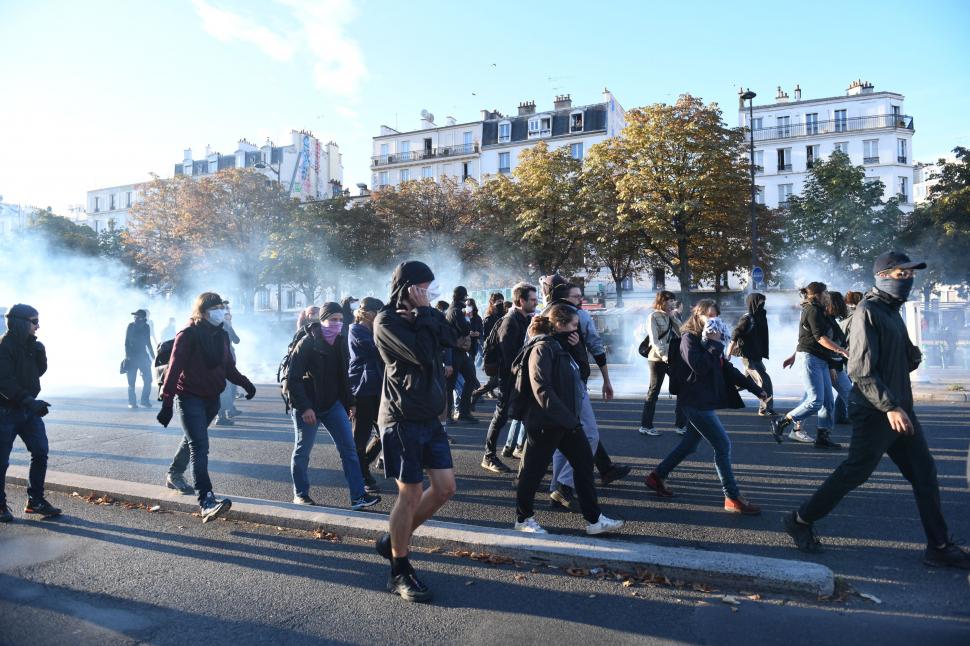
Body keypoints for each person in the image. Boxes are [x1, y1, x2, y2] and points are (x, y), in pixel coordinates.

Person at [784, 252, 970, 570]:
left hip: (898, 408)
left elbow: (900, 357)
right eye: (902, 274)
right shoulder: (868, 311)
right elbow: (860, 370)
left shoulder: (891, 311)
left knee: (924, 472)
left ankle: (938, 546)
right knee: (854, 472)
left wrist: (911, 357)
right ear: (884, 275)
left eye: (911, 274)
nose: (908, 279)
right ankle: (799, 519)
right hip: (876, 411)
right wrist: (890, 406)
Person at [372, 261, 458, 603]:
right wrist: (423, 315)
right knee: (409, 494)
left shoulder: (425, 315)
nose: (429, 294)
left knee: (445, 488)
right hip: (400, 418)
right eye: (424, 287)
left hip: (430, 418)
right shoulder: (386, 321)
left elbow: (454, 338)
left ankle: (392, 539)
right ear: (409, 288)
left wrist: (428, 314)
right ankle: (399, 569)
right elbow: (422, 354)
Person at [644, 299, 767, 515]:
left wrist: (757, 389)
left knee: (690, 444)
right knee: (723, 446)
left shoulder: (710, 339)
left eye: (715, 317)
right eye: (708, 316)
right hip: (694, 401)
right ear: (697, 315)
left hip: (703, 399)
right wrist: (714, 344)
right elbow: (699, 367)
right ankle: (731, 496)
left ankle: (657, 476)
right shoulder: (688, 338)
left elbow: (726, 369)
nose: (712, 321)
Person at [513, 304, 625, 535]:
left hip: (565, 422)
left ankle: (594, 520)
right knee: (532, 472)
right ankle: (523, 519)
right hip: (546, 422)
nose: (578, 330)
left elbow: (581, 375)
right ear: (560, 324)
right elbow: (541, 388)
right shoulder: (543, 347)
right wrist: (567, 419)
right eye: (574, 325)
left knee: (584, 465)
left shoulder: (560, 346)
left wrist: (578, 350)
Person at [158, 292, 256, 522]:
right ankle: (207, 500)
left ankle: (174, 473)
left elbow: (229, 368)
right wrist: (167, 399)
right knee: (200, 446)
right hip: (189, 396)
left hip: (212, 397)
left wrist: (246, 383)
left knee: (193, 439)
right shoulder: (188, 334)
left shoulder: (221, 335)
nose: (220, 311)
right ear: (202, 311)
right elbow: (173, 369)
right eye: (215, 308)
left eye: (222, 307)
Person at [539, 279, 629, 509]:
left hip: (552, 385)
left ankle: (558, 490)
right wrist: (607, 380)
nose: (582, 300)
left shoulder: (541, 316)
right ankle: (564, 486)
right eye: (577, 296)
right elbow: (597, 348)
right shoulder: (578, 317)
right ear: (565, 298)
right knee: (589, 435)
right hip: (572, 383)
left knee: (563, 437)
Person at [285, 302, 380, 510]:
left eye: (340, 319)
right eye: (333, 319)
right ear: (322, 320)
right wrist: (305, 407)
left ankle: (358, 496)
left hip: (333, 404)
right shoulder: (307, 343)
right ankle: (300, 494)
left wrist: (350, 402)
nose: (337, 324)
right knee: (302, 451)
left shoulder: (340, 341)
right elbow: (293, 380)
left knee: (349, 450)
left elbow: (343, 377)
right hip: (308, 406)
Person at [0, 304, 60, 522]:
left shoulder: (32, 345)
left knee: (40, 452)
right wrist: (28, 400)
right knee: (1, 461)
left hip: (28, 409)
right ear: (21, 322)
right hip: (5, 411)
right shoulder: (3, 346)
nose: (38, 326)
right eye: (34, 322)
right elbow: (4, 382)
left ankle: (35, 501)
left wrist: (40, 355)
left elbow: (37, 374)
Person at [771, 283, 846, 449]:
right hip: (811, 359)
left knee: (828, 402)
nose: (828, 295)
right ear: (818, 294)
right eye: (825, 292)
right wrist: (842, 351)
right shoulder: (812, 310)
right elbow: (819, 338)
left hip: (821, 360)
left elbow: (806, 337)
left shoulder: (820, 310)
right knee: (815, 401)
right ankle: (783, 421)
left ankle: (823, 437)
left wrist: (793, 355)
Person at [481, 283, 537, 472]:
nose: (536, 303)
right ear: (521, 301)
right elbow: (509, 357)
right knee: (501, 416)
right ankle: (489, 456)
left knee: (524, 415)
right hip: (510, 378)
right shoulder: (510, 321)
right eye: (532, 300)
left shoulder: (523, 319)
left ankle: (520, 450)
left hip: (519, 377)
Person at [638, 291, 688, 436]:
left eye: (673, 301)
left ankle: (680, 425)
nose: (673, 303)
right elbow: (654, 341)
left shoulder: (670, 316)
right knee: (654, 391)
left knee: (682, 388)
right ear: (662, 301)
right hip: (657, 359)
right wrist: (664, 356)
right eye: (670, 301)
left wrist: (675, 318)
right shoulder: (653, 316)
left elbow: (682, 333)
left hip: (671, 357)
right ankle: (645, 426)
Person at [348, 297, 384, 494]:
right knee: (360, 435)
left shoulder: (372, 329)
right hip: (361, 389)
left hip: (376, 387)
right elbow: (375, 349)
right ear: (369, 313)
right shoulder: (356, 330)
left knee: (384, 432)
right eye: (378, 311)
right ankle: (361, 474)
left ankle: (362, 464)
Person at [728, 293, 775, 417]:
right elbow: (735, 334)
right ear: (753, 303)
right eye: (760, 302)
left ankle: (719, 390)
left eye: (763, 302)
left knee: (744, 382)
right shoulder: (747, 318)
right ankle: (765, 409)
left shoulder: (760, 316)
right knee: (764, 381)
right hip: (748, 357)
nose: (762, 304)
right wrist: (728, 352)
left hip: (756, 356)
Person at [445, 286, 479, 424]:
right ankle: (449, 414)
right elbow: (464, 329)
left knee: (470, 380)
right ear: (464, 297)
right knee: (451, 384)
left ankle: (462, 411)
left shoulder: (453, 310)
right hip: (455, 351)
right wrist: (468, 321)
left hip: (458, 351)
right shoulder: (456, 311)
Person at [827, 291, 853, 425]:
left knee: (849, 394)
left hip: (836, 364)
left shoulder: (832, 320)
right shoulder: (826, 321)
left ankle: (863, 423)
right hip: (829, 365)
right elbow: (821, 345)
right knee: (814, 401)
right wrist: (831, 366)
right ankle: (792, 424)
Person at [216, 301, 242, 426]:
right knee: (225, 388)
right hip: (224, 360)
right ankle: (221, 416)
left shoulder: (212, 324)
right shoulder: (224, 325)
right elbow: (236, 340)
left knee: (228, 387)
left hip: (220, 360)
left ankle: (227, 411)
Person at [124, 309, 155, 410]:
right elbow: (126, 343)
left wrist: (153, 355)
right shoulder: (130, 326)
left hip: (143, 357)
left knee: (148, 380)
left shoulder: (146, 327)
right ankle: (132, 402)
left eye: (137, 317)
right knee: (131, 382)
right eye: (135, 317)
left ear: (143, 318)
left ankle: (144, 400)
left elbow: (148, 342)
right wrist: (128, 356)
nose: (135, 318)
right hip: (132, 357)